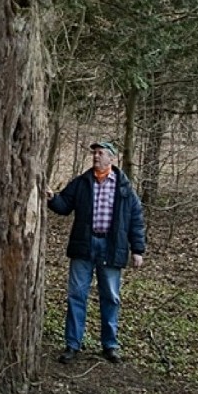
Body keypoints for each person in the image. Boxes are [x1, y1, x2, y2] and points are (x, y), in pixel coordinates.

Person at [47, 139, 145, 364]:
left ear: (112, 157)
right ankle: (72, 344)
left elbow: (136, 220)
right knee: (76, 295)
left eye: (101, 153)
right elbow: (64, 205)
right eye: (94, 153)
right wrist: (52, 198)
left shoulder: (124, 188)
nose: (96, 157)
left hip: (111, 247)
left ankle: (110, 345)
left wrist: (137, 249)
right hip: (84, 245)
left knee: (110, 297)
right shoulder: (82, 182)